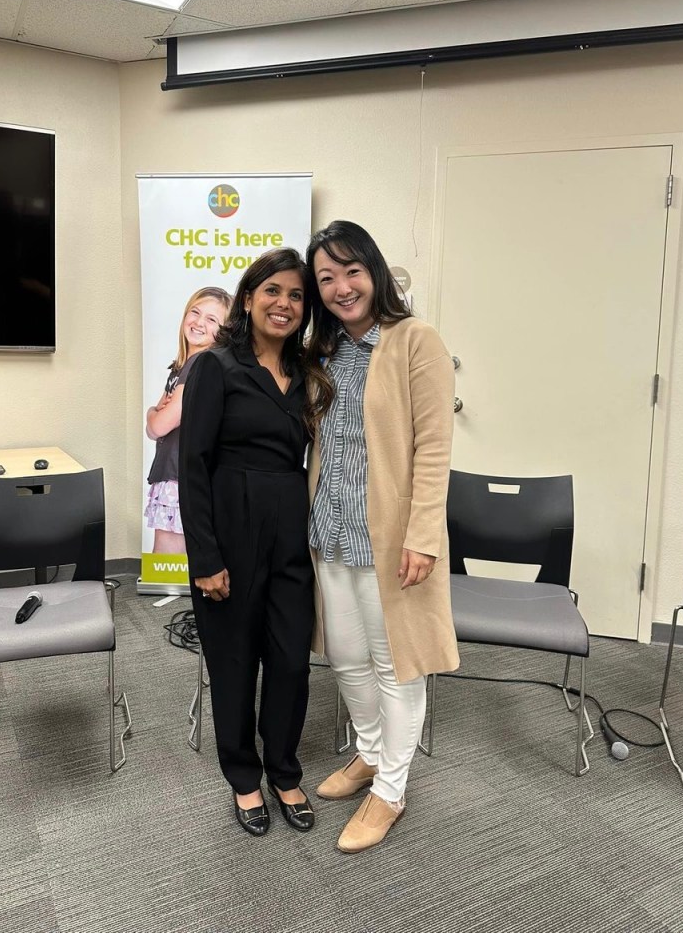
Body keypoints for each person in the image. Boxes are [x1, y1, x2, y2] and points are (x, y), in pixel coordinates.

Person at [305, 219, 459, 853]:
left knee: (397, 666)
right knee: (345, 657)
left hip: (392, 540)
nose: (342, 287)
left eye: (352, 271)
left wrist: (423, 536)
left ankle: (391, 789)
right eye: (327, 278)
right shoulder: (322, 352)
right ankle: (369, 754)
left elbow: (434, 449)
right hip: (330, 530)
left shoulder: (416, 341)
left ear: (373, 270)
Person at [178, 248, 316, 837]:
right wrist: (205, 558)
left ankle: (284, 769)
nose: (284, 304)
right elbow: (192, 465)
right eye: (273, 291)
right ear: (249, 297)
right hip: (230, 533)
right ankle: (243, 777)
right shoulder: (216, 366)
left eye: (296, 295)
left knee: (290, 659)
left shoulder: (308, 373)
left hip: (291, 532)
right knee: (234, 663)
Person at [145, 288, 232, 554]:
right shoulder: (181, 367)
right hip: (176, 475)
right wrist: (154, 415)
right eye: (195, 312)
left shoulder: (199, 365)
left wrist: (150, 413)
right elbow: (156, 426)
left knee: (169, 563)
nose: (199, 322)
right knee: (176, 563)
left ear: (224, 331)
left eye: (212, 319)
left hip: (179, 478)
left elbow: (158, 425)